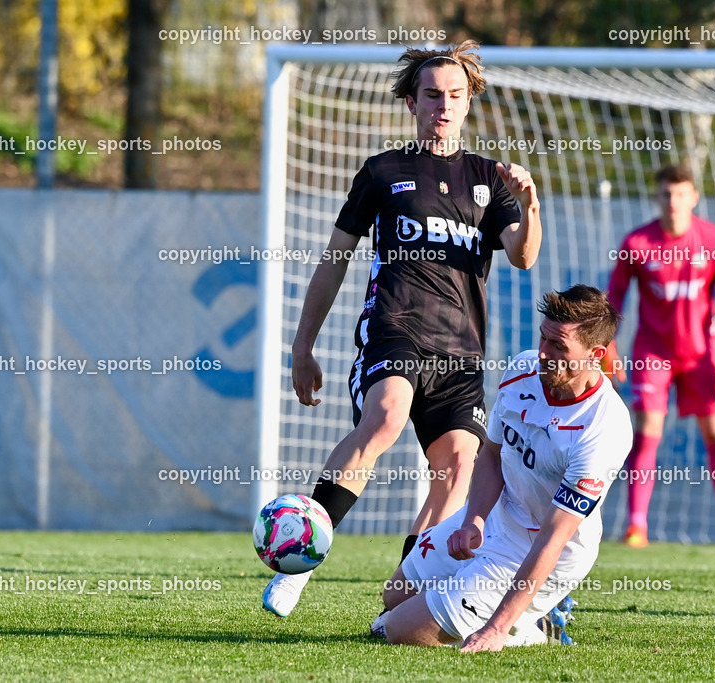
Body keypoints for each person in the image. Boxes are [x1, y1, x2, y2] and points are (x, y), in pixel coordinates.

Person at [262, 40, 542, 618]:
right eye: (432, 94)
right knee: (386, 415)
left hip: (462, 353)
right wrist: (302, 346)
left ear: (469, 104)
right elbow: (334, 259)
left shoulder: (489, 178)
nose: (444, 105)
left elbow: (522, 257)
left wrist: (530, 204)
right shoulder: (383, 171)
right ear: (412, 102)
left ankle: (401, 596)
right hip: (396, 331)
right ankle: (300, 561)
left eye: (455, 96)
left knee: (459, 468)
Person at [373, 285, 632, 651]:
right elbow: (492, 455)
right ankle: (495, 605)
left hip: (544, 549)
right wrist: (473, 520)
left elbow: (553, 538)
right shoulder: (522, 370)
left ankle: (525, 628)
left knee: (396, 632)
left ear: (596, 355)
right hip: (497, 518)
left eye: (559, 346)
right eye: (543, 338)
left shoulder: (604, 428)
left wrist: (497, 627)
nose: (543, 354)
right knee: (393, 597)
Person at [604, 163, 715, 550]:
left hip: (702, 354)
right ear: (657, 197)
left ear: (694, 197)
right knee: (648, 433)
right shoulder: (637, 244)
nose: (673, 202)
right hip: (653, 352)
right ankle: (636, 526)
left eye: (681, 194)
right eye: (666, 194)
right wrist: (607, 343)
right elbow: (615, 296)